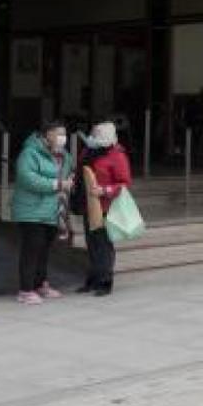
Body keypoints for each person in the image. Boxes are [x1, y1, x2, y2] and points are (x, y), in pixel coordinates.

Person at [13, 120, 73, 306]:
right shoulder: (29, 153)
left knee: (44, 250)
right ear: (47, 134)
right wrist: (56, 185)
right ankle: (25, 290)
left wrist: (70, 179)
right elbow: (27, 178)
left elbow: (69, 171)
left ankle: (41, 285)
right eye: (58, 133)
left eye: (64, 133)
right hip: (31, 211)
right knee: (31, 250)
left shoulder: (63, 155)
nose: (63, 138)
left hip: (51, 211)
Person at [77, 121, 132, 297]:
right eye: (92, 133)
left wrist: (105, 190)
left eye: (96, 135)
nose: (92, 137)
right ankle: (92, 279)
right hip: (88, 203)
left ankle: (105, 280)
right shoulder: (87, 151)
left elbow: (123, 183)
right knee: (91, 242)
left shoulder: (117, 155)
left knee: (103, 244)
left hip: (105, 205)